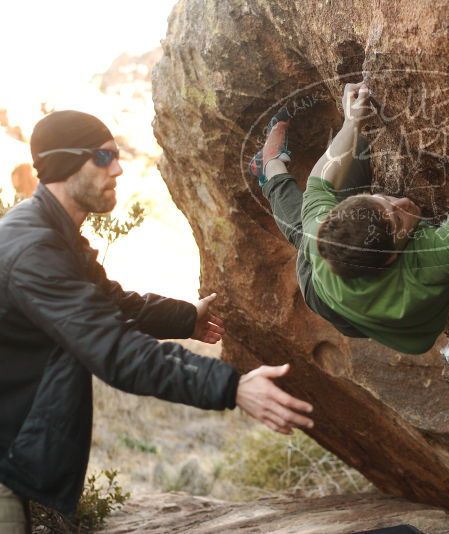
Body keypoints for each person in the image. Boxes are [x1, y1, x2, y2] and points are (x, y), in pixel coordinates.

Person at [0, 110, 315, 533]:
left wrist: (186, 318)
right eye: (102, 156)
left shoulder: (52, 233)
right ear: (63, 163)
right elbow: (114, 351)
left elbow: (113, 303)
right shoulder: (34, 250)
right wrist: (232, 387)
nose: (118, 168)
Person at [252, 82, 449, 355]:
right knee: (302, 235)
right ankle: (269, 168)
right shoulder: (424, 269)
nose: (404, 202)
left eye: (384, 200)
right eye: (399, 220)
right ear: (390, 259)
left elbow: (322, 181)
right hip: (328, 301)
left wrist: (352, 122)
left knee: (347, 162)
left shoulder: (319, 223)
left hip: (338, 274)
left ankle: (269, 168)